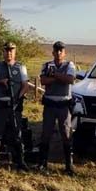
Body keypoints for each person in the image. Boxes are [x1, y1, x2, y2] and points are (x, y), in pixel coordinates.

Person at [0, 42, 30, 170]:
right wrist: (0, 82)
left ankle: (20, 162)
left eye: (11, 51)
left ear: (15, 52)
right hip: (1, 104)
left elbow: (25, 86)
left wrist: (18, 98)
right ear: (3, 52)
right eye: (6, 51)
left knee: (18, 133)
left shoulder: (21, 67)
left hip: (15, 104)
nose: (9, 53)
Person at [38, 41, 76, 175]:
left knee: (66, 134)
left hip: (64, 105)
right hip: (50, 104)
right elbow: (43, 81)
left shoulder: (69, 65)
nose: (59, 53)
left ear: (64, 53)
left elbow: (70, 80)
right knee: (46, 134)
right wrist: (60, 78)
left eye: (61, 51)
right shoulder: (46, 65)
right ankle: (42, 163)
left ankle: (68, 165)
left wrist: (54, 76)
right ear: (53, 52)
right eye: (56, 50)